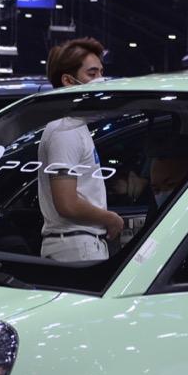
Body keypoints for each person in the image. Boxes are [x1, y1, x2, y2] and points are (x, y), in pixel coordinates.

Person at [37, 36, 123, 262]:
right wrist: (111, 219)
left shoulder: (75, 126)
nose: (100, 80)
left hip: (78, 244)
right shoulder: (64, 131)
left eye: (101, 73)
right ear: (68, 80)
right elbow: (67, 204)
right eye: (92, 74)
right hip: (76, 247)